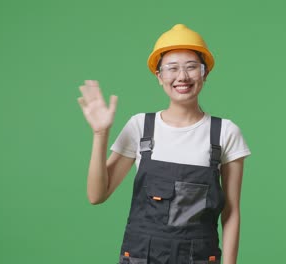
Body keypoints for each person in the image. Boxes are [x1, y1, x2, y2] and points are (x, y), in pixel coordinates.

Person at [78, 24, 251, 264]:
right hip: (141, 255)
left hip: (199, 257)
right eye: (172, 68)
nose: (182, 76)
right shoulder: (140, 126)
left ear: (205, 73)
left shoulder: (225, 132)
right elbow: (96, 195)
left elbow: (231, 213)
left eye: (192, 67)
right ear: (159, 76)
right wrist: (100, 133)